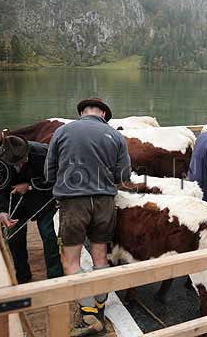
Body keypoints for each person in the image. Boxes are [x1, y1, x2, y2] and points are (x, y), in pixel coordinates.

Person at [45, 98, 131, 336]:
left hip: (73, 203)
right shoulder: (115, 136)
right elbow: (124, 174)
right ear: (103, 114)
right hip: (104, 202)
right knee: (100, 255)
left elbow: (48, 171)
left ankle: (87, 313)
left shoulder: (62, 131)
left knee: (70, 260)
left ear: (82, 112)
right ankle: (101, 307)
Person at [0, 135, 63, 284]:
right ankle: (22, 275)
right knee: (15, 238)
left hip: (42, 199)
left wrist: (29, 185)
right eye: (18, 161)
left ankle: (55, 275)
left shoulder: (44, 153)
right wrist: (2, 211)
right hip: (14, 202)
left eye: (24, 158)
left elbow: (55, 179)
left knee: (49, 235)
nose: (23, 162)